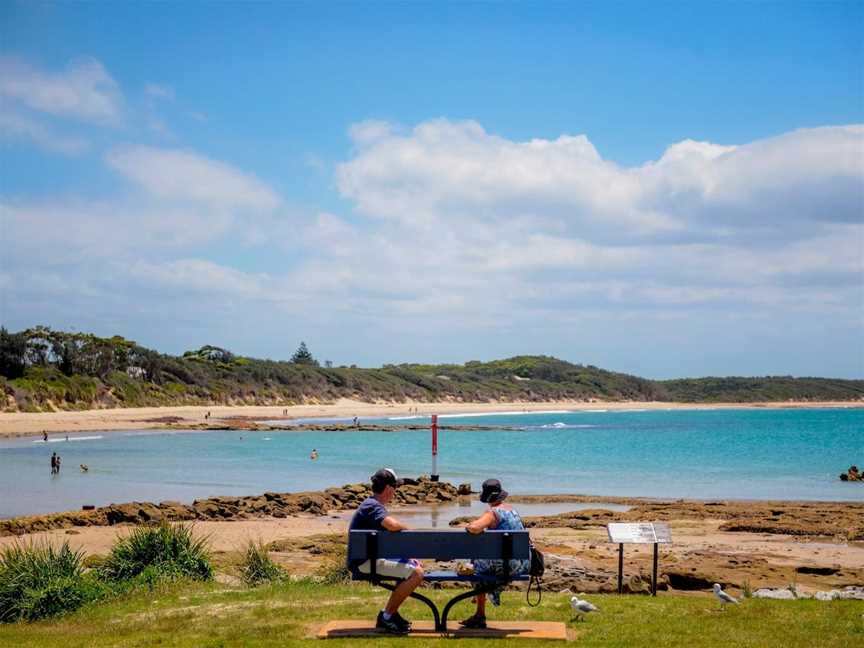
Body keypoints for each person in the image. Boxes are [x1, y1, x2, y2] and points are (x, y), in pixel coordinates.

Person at [348, 468, 423, 635]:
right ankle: (387, 616)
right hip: (365, 563)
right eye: (395, 488)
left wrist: (407, 557)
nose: (396, 492)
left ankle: (391, 614)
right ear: (389, 489)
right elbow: (393, 526)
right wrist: (409, 530)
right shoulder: (373, 506)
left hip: (366, 559)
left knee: (410, 567)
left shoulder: (370, 504)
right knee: (416, 574)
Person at [460, 478, 530, 629]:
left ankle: (480, 613)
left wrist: (469, 525)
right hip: (520, 563)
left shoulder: (493, 513)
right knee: (478, 561)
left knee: (472, 566)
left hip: (505, 565)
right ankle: (480, 606)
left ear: (487, 497)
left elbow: (475, 528)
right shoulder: (512, 510)